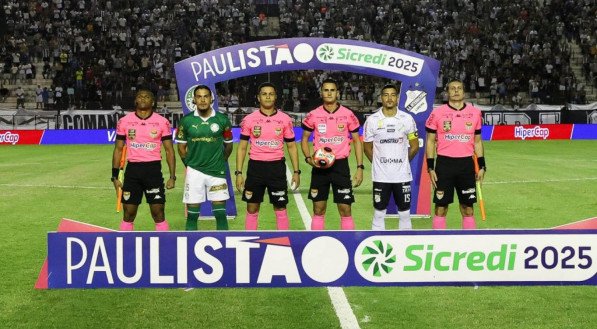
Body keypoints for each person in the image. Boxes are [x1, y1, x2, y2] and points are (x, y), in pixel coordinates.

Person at [235, 82, 300, 230]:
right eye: (264, 94)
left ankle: (284, 243)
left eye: (271, 94)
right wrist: (239, 173)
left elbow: (291, 146)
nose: (268, 97)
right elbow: (242, 147)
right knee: (252, 208)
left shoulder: (285, 119)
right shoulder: (249, 119)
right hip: (255, 168)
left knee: (280, 207)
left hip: (276, 167)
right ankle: (250, 243)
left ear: (276, 97)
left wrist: (296, 171)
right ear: (258, 97)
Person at [301, 78, 364, 230]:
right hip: (320, 167)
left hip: (341, 166)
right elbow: (304, 139)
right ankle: (316, 245)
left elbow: (357, 141)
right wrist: (309, 158)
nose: (329, 93)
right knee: (318, 209)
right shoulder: (314, 115)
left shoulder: (348, 114)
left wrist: (360, 167)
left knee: (345, 210)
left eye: (332, 90)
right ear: (321, 93)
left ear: (338, 93)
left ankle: (348, 245)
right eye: (326, 90)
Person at [111, 89, 176, 231]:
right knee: (128, 213)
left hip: (153, 171)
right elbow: (118, 149)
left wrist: (172, 177)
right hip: (132, 171)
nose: (142, 99)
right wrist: (114, 177)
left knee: (158, 212)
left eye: (146, 97)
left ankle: (164, 245)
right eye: (140, 96)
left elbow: (169, 150)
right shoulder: (124, 121)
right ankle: (125, 245)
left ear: (152, 102)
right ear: (135, 101)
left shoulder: (162, 122)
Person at [425, 79, 485, 230]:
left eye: (459, 88)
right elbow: (430, 141)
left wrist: (482, 165)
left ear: (464, 92)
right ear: (447, 92)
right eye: (453, 88)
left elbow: (477, 142)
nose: (456, 91)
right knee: (441, 207)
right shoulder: (437, 113)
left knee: (468, 208)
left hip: (466, 165)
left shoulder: (475, 113)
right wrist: (430, 168)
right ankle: (438, 244)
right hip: (444, 165)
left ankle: (469, 245)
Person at [176, 85, 233, 231]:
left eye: (206, 96)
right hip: (194, 172)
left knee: (221, 214)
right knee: (192, 215)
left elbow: (228, 145)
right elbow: (181, 148)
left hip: (217, 172)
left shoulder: (222, 120)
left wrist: (222, 160)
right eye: (199, 97)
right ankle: (189, 247)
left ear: (211, 98)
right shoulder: (186, 121)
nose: (202, 100)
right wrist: (189, 164)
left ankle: (224, 249)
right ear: (194, 99)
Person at [363, 84, 420, 230]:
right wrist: (378, 163)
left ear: (397, 98)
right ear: (381, 98)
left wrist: (402, 162)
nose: (389, 98)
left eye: (393, 95)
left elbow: (414, 146)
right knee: (379, 213)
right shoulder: (372, 120)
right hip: (381, 176)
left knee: (405, 213)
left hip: (402, 175)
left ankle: (404, 246)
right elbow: (367, 148)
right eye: (386, 95)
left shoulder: (407, 119)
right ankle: (377, 244)